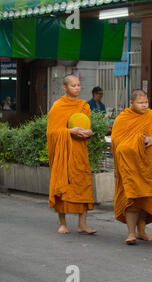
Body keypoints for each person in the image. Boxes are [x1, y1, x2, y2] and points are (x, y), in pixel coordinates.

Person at [111, 90, 152, 245]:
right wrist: (133, 145)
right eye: (140, 103)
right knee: (133, 199)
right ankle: (131, 233)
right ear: (131, 103)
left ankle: (142, 231)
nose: (144, 106)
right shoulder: (123, 118)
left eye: (146, 103)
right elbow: (116, 142)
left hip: (149, 166)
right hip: (130, 167)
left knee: (147, 199)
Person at [46, 74, 96, 235]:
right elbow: (52, 133)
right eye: (73, 85)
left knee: (83, 185)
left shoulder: (83, 106)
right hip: (64, 154)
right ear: (65, 87)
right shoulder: (58, 106)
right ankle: (63, 223)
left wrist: (88, 132)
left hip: (79, 151)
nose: (77, 88)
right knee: (63, 186)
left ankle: (82, 224)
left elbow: (86, 125)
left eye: (78, 85)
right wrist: (69, 132)